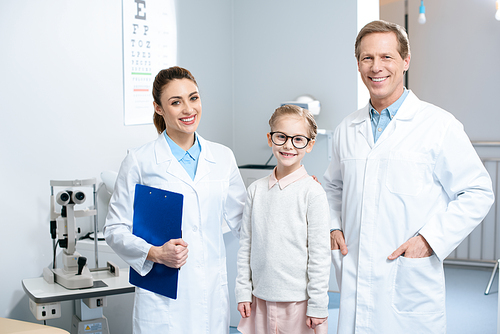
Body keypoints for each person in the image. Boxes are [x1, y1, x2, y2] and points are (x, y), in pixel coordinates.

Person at [324, 20, 494, 333]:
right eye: (367, 58)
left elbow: (478, 191)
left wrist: (429, 240)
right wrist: (334, 225)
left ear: (405, 61)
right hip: (356, 273)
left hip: (408, 279)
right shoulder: (347, 128)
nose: (376, 67)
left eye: (386, 57)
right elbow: (333, 186)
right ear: (358, 64)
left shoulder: (438, 125)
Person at [103, 66, 247, 333]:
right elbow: (114, 229)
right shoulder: (140, 160)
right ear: (159, 108)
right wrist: (154, 253)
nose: (188, 109)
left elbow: (245, 223)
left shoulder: (223, 157)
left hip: (211, 296)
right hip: (162, 300)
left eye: (193, 98)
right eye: (176, 102)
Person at [235, 105, 331, 334]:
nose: (288, 145)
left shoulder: (313, 193)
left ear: (310, 145)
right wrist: (243, 291)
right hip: (260, 298)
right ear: (270, 139)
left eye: (298, 139)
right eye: (281, 137)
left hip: (299, 303)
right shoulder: (255, 190)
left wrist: (318, 305)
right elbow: (245, 246)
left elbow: (319, 255)